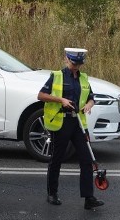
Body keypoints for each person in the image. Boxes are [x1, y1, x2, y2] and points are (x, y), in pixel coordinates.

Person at [38, 48, 105, 210]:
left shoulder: (83, 78)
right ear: (66, 59)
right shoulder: (57, 76)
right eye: (74, 63)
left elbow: (91, 97)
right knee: (57, 158)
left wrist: (89, 105)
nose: (76, 67)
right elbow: (41, 95)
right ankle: (52, 193)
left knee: (86, 159)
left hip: (79, 124)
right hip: (61, 122)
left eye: (79, 64)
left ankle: (89, 198)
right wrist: (61, 100)